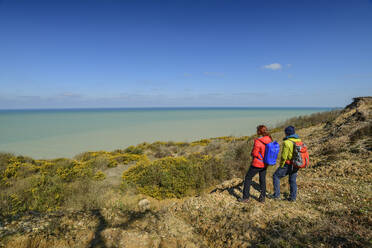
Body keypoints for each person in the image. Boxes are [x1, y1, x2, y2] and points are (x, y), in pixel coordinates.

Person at [239, 125, 272, 203]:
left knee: (248, 178)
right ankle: (262, 198)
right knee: (262, 179)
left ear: (259, 132)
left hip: (257, 163)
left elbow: (255, 153)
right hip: (265, 163)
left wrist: (252, 154)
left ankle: (245, 197)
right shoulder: (269, 139)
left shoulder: (258, 141)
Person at [269, 125, 300, 201]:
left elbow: (284, 156)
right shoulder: (299, 141)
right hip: (296, 164)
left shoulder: (287, 142)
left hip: (288, 164)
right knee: (292, 180)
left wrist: (281, 165)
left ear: (287, 133)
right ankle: (293, 198)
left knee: (276, 176)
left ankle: (277, 195)